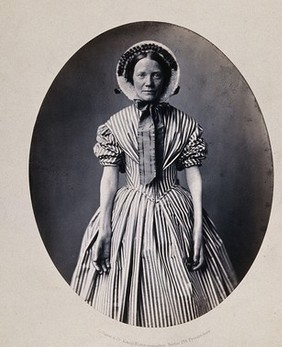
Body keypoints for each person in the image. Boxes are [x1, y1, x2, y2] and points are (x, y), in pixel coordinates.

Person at [71, 40, 237, 327]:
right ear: (130, 79)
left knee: (186, 297)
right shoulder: (116, 125)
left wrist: (197, 228)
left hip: (175, 210)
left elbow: (193, 174)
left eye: (156, 75)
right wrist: (105, 229)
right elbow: (109, 178)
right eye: (142, 75)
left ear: (167, 78)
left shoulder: (185, 124)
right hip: (129, 213)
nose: (149, 82)